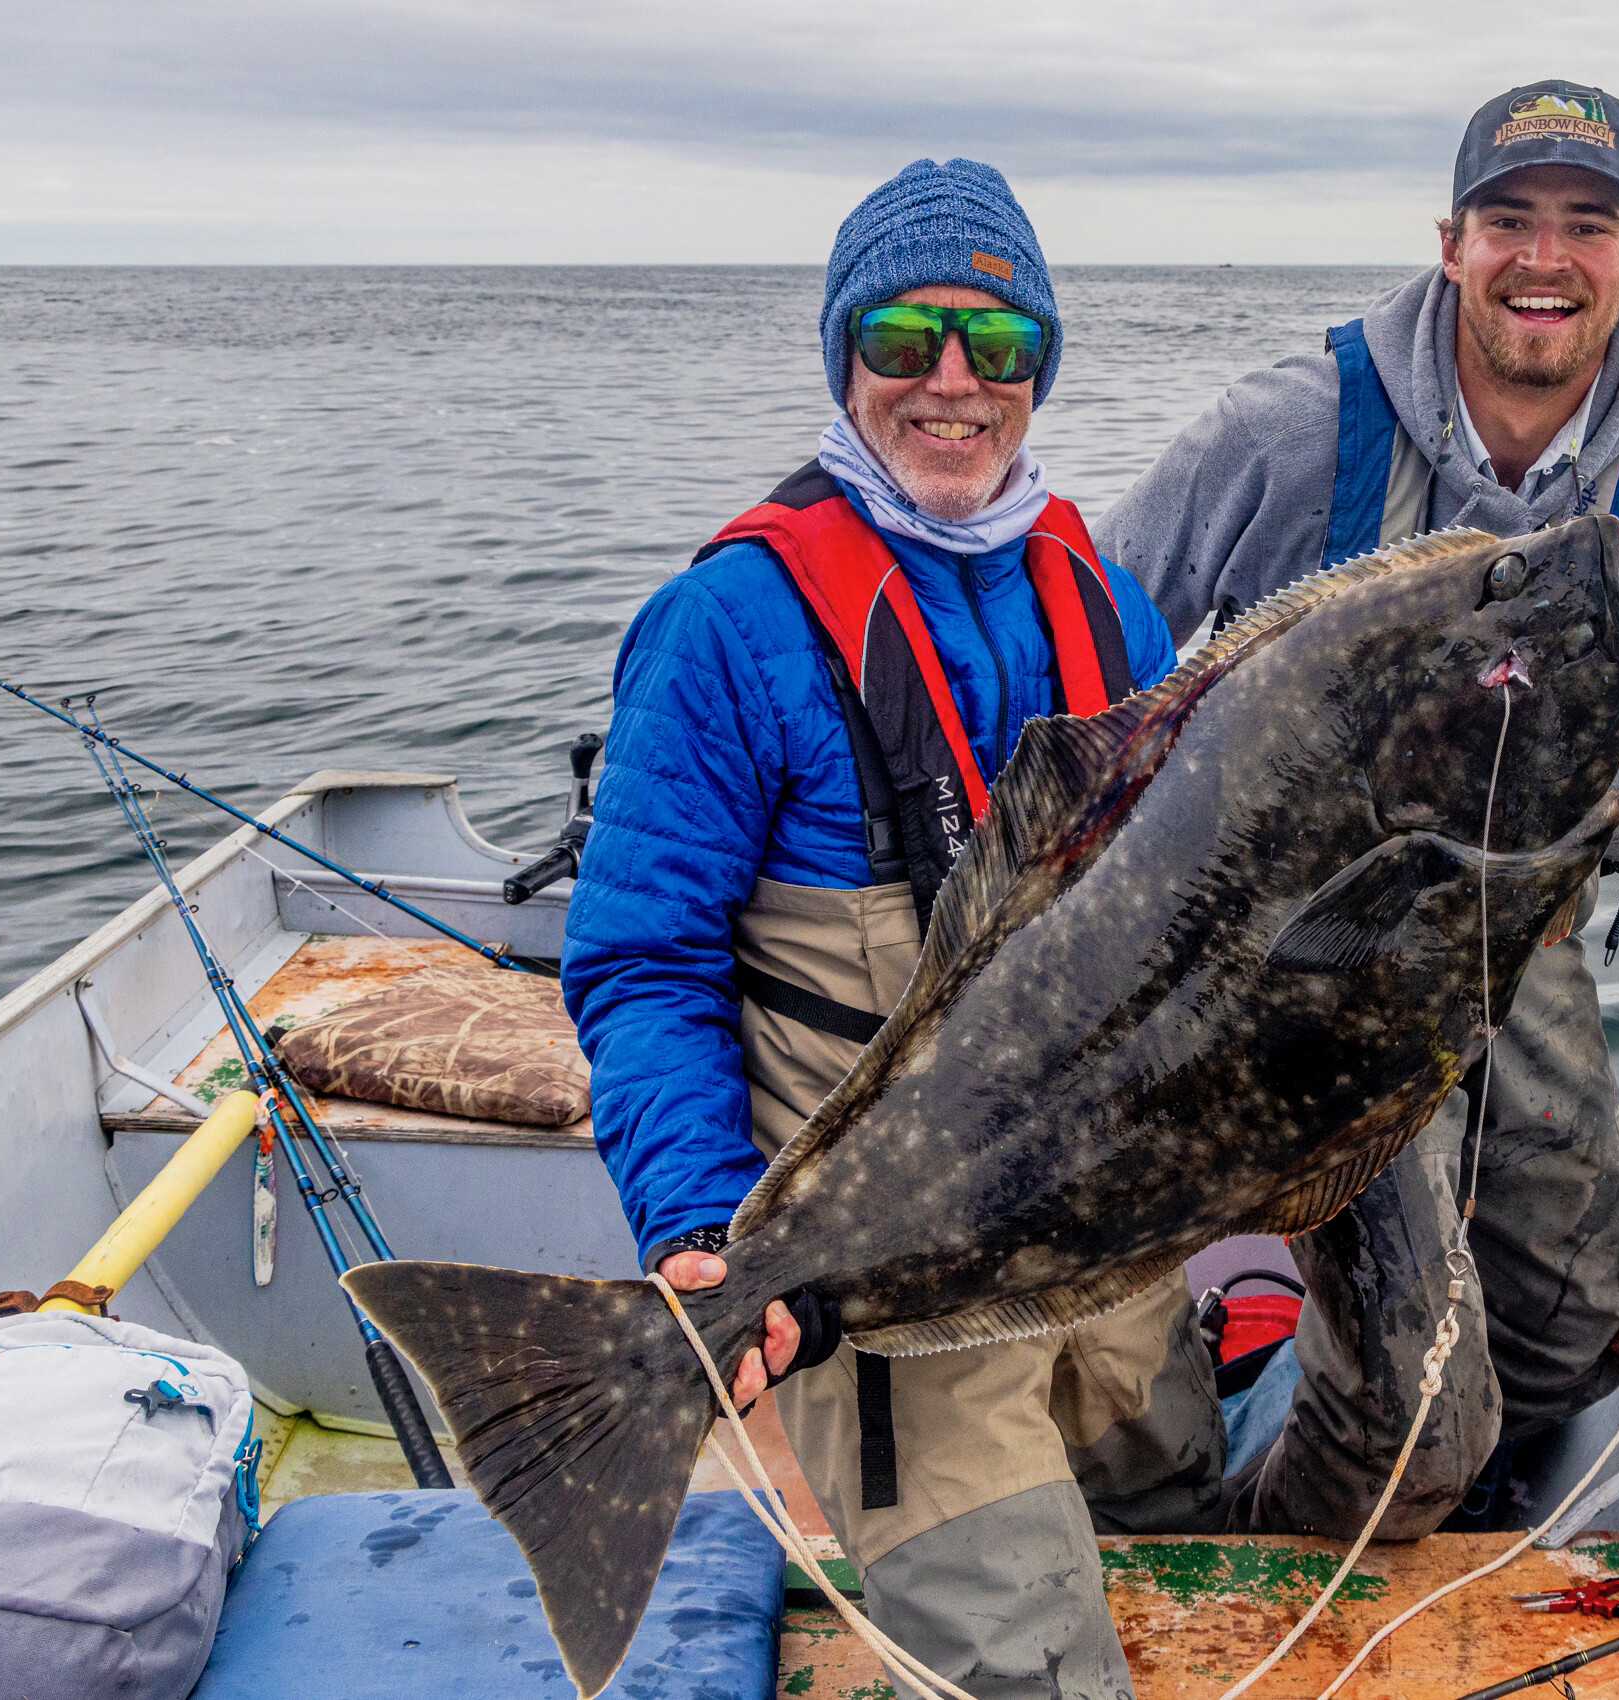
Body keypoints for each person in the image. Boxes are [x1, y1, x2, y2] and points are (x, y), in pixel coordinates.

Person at [560, 159, 1181, 1700]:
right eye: (903, 337)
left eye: (1001, 345)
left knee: (1185, 1526)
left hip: (1110, 1257)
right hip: (889, 1294)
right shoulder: (724, 628)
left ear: (1043, 367)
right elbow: (642, 961)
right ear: (843, 357)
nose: (953, 384)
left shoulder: (1109, 603)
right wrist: (702, 1222)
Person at [1094, 80, 1619, 1517]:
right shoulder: (1283, 430)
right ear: (1452, 243)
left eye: (1589, 225)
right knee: (1416, 1403)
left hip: (1511, 928)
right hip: (1285, 954)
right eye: (1510, 220)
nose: (1544, 258)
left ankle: (1345, 1435)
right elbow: (1093, 650)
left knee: (1576, 1316)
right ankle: (1248, 1517)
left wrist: (1610, 759)